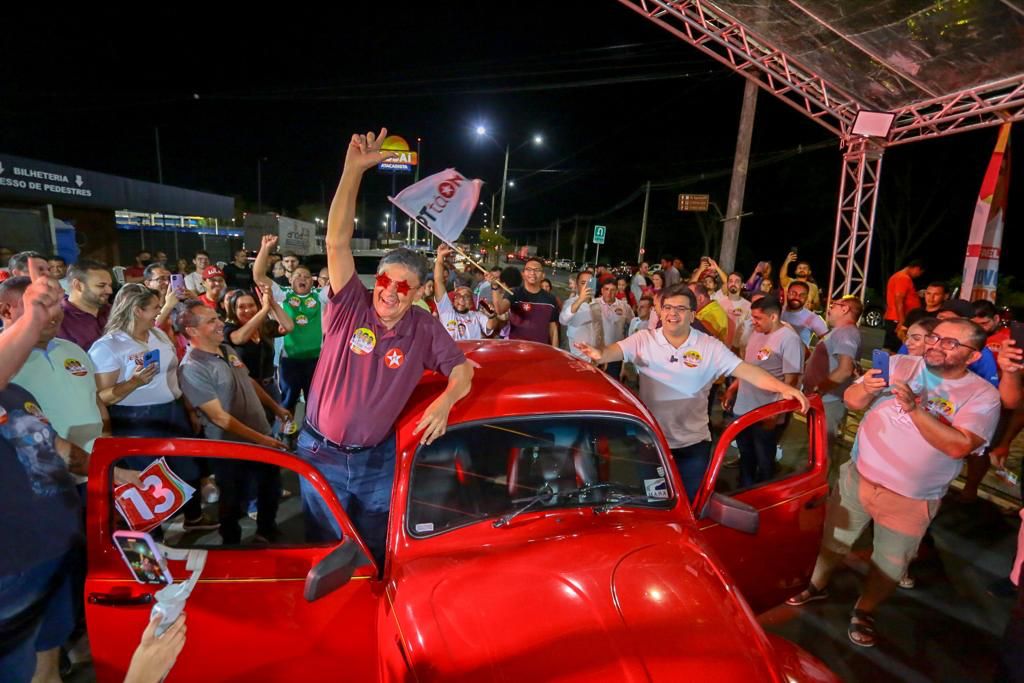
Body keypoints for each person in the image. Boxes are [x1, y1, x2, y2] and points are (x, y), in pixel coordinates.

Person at [298, 127, 474, 563]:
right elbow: (336, 241)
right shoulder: (349, 307)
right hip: (319, 453)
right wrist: (352, 170)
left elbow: (463, 369)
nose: (389, 292)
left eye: (403, 286)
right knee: (323, 551)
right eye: (383, 280)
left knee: (376, 550)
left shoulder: (424, 327)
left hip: (378, 461)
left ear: (417, 293)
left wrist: (447, 400)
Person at [787, 318, 1001, 648]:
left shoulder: (982, 395)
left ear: (973, 357)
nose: (935, 345)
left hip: (912, 498)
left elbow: (959, 445)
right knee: (833, 538)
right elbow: (853, 401)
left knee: (890, 563)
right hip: (859, 477)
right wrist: (866, 388)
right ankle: (816, 584)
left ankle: (865, 609)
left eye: (950, 343)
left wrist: (915, 411)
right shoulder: (901, 364)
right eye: (935, 338)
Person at [575, 283, 809, 500]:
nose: (672, 313)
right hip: (652, 444)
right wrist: (599, 354)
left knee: (689, 502)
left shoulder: (709, 346)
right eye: (667, 307)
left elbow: (748, 371)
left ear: (693, 314)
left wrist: (785, 388)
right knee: (656, 501)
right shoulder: (644, 340)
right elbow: (612, 352)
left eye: (680, 308)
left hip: (693, 446)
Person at [0, 273, 85, 683]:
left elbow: (57, 452)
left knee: (47, 662)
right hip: (9, 572)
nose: (52, 317)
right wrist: (31, 319)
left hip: (51, 554)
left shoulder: (16, 394)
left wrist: (115, 471)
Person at [89, 285, 213, 531]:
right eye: (155, 308)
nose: (160, 312)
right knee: (146, 481)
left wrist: (187, 409)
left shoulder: (159, 336)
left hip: (172, 411)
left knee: (187, 469)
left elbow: (174, 375)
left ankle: (194, 518)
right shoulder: (108, 347)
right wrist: (133, 383)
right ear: (137, 310)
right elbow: (100, 397)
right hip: (136, 420)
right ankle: (151, 538)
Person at [176, 300, 289, 544]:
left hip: (261, 433)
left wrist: (275, 407)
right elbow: (218, 417)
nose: (220, 324)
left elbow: (248, 380)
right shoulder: (191, 368)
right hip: (230, 446)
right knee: (233, 497)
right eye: (211, 321)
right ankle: (231, 542)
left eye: (217, 318)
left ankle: (266, 530)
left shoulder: (227, 349)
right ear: (193, 331)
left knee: (270, 488)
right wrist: (264, 440)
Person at [1, 277, 106, 485]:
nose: (54, 315)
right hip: (39, 481)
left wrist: (107, 440)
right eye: (40, 306)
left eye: (57, 305)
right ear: (6, 311)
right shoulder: (5, 362)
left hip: (93, 468)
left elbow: (93, 398)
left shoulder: (72, 349)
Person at [722, 296, 804, 486]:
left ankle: (763, 492)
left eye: (758, 318)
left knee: (764, 458)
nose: (754, 322)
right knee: (745, 453)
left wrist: (775, 414)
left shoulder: (789, 339)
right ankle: (745, 487)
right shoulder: (757, 332)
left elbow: (791, 380)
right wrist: (733, 389)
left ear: (773, 317)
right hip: (743, 408)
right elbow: (748, 367)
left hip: (765, 413)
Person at [252, 236, 323, 416]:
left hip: (316, 359)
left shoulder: (320, 295)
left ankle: (310, 433)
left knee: (314, 400)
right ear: (290, 279)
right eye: (298, 275)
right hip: (289, 359)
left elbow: (340, 282)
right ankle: (287, 432)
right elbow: (259, 276)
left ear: (312, 281)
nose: (303, 279)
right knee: (288, 398)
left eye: (307, 277)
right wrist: (265, 248)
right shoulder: (283, 294)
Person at [801, 295, 862, 486]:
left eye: (833, 305)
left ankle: (817, 490)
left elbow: (845, 369)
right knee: (818, 446)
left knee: (822, 449)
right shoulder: (839, 332)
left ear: (845, 309)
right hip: (824, 400)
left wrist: (819, 390)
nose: (829, 309)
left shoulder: (846, 333)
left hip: (829, 401)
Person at [222, 287, 293, 414]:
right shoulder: (229, 329)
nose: (247, 310)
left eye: (251, 305)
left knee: (274, 425)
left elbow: (288, 326)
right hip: (246, 389)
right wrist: (264, 310)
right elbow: (240, 339)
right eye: (241, 307)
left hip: (270, 386)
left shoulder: (264, 327)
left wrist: (271, 303)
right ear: (234, 310)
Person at [432, 245, 499, 341]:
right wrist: (440, 257)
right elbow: (438, 281)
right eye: (458, 296)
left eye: (467, 297)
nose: (462, 299)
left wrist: (492, 315)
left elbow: (490, 326)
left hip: (471, 355)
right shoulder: (446, 311)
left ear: (471, 302)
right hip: (451, 355)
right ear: (454, 299)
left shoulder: (477, 316)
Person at [494, 257, 559, 346]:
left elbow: (553, 329)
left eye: (537, 270)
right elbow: (500, 310)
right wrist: (494, 287)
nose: (532, 273)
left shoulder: (550, 299)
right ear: (523, 274)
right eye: (528, 269)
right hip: (516, 349)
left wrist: (555, 351)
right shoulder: (514, 293)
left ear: (543, 275)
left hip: (540, 350)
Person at [58, 259, 113, 351]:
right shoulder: (57, 320)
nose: (110, 291)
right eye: (101, 286)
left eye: (110, 285)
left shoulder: (114, 311)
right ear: (78, 285)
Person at [883, 259, 924, 350]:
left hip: (896, 317)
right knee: (895, 347)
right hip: (897, 319)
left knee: (892, 346)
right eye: (920, 272)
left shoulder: (900, 277)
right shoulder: (903, 278)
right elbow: (899, 299)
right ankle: (890, 363)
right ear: (917, 268)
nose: (919, 275)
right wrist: (902, 321)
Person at [560, 271, 598, 359]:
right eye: (583, 283)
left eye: (590, 283)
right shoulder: (570, 303)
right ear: (577, 285)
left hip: (594, 358)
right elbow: (563, 320)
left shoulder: (598, 304)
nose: (587, 286)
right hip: (576, 357)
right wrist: (580, 300)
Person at [781, 281, 828, 347]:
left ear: (806, 297)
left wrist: (812, 355)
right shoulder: (776, 311)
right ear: (787, 293)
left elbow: (828, 343)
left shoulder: (812, 318)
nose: (797, 297)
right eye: (793, 293)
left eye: (802, 295)